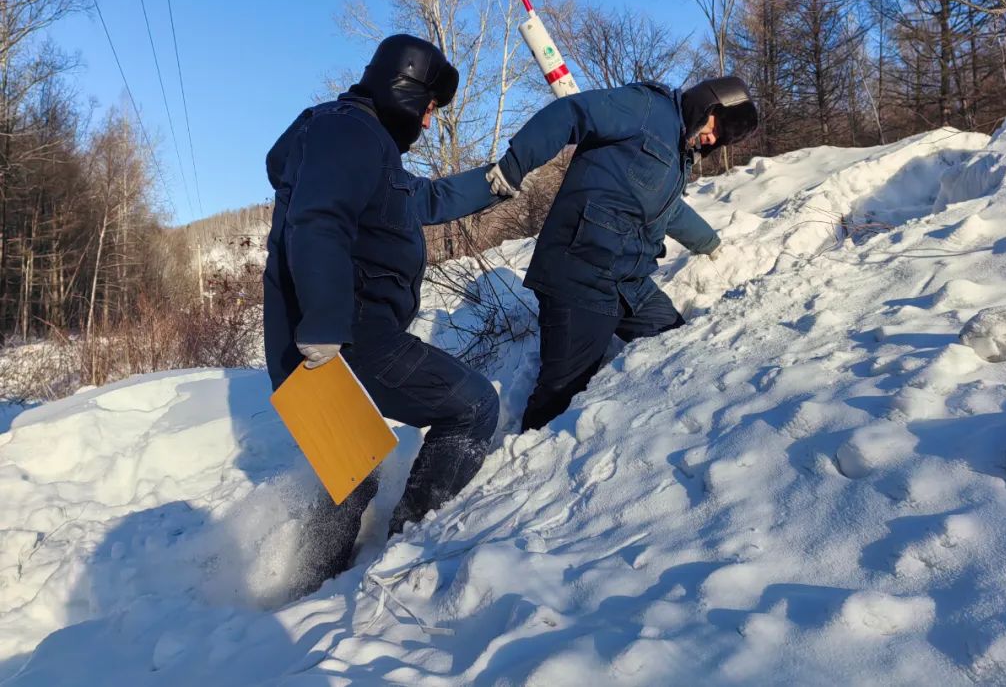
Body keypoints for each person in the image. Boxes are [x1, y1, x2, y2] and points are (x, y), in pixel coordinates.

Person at [263, 34, 515, 560]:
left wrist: (496, 181)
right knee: (472, 406)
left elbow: (428, 198)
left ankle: (309, 589)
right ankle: (410, 546)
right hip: (345, 338)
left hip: (321, 341)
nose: (428, 123)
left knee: (353, 482)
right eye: (427, 108)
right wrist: (327, 324)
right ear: (403, 88)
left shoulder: (367, 148)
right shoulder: (346, 130)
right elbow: (318, 220)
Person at [484, 78, 758, 432]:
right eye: (715, 127)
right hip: (578, 275)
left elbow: (669, 210)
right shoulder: (645, 108)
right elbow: (572, 112)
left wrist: (711, 244)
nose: (711, 139)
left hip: (629, 282)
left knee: (677, 343)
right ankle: (531, 466)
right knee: (561, 393)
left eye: (719, 139)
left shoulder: (678, 156)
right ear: (707, 104)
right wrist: (515, 163)